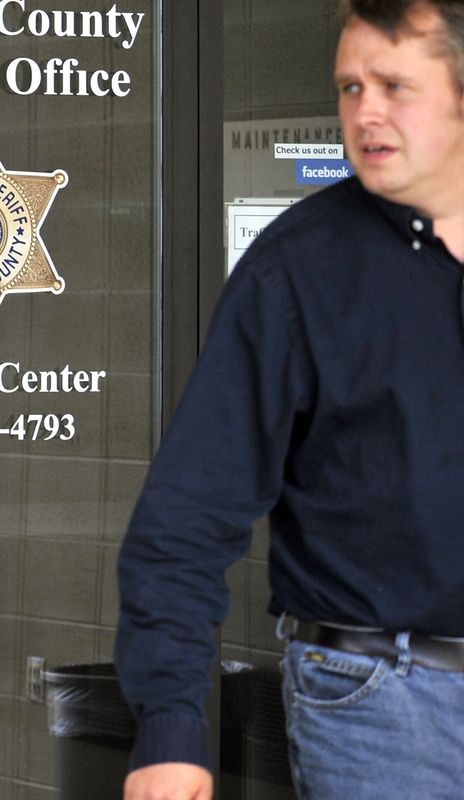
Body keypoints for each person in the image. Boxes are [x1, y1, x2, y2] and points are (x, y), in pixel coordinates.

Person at [115, 1, 464, 798]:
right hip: (385, 704)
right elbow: (187, 514)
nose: (363, 110)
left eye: (393, 86)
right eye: (349, 86)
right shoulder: (298, 268)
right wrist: (172, 726)